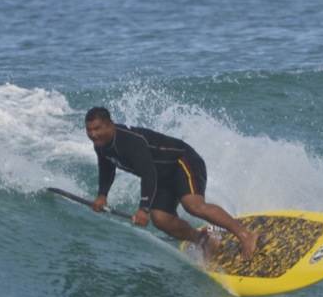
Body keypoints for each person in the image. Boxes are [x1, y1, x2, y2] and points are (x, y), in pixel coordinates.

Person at [84, 107, 258, 260]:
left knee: (193, 205)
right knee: (161, 219)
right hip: (162, 176)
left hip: (182, 161)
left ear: (110, 124)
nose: (93, 134)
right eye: (89, 130)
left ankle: (246, 235)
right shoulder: (101, 145)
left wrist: (143, 209)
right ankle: (203, 240)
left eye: (97, 128)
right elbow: (107, 167)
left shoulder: (128, 140)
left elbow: (148, 173)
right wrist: (102, 195)